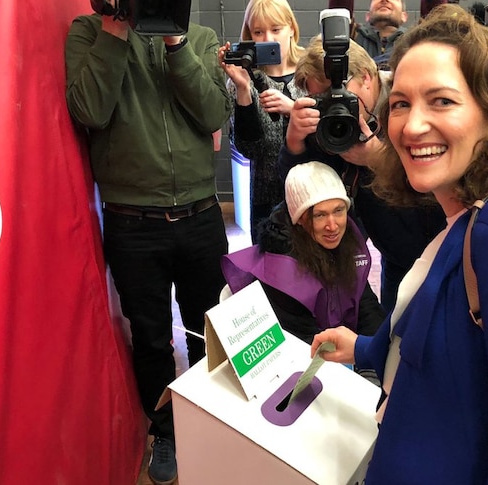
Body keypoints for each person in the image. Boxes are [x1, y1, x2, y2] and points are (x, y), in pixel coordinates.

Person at [311, 5, 488, 483]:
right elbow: (452, 355)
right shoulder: (468, 214)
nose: (412, 125)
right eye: (400, 103)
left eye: (441, 101)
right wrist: (364, 349)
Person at [64, 5, 231, 484]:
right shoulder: (90, 32)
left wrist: (175, 43)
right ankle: (167, 431)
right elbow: (88, 110)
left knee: (209, 327)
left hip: (200, 214)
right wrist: (116, 31)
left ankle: (212, 419)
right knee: (152, 336)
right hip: (133, 222)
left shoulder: (197, 36)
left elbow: (213, 112)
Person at [281, 35, 446, 311]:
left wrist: (380, 159)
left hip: (438, 253)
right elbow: (301, 191)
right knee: (395, 338)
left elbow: (444, 187)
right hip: (391, 254)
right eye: (320, 98)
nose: (331, 105)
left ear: (367, 77)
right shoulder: (325, 119)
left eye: (337, 94)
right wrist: (294, 143)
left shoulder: (410, 102)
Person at [221, 161, 384, 344]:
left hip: (343, 349)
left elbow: (365, 306)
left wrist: (371, 355)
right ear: (299, 218)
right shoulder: (282, 272)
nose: (333, 226)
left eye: (339, 210)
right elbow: (302, 345)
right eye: (319, 215)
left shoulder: (346, 241)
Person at [218, 0, 306, 242]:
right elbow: (249, 150)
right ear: (249, 35)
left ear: (291, 29)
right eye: (258, 32)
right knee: (273, 275)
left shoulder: (312, 73)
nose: (268, 38)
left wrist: (293, 109)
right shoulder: (240, 80)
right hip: (267, 202)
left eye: (276, 29)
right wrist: (244, 90)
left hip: (314, 196)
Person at [353, 0, 409, 67]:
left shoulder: (413, 41)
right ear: (368, 16)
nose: (384, 0)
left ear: (404, 16)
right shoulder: (353, 36)